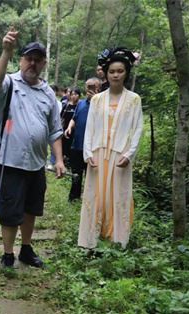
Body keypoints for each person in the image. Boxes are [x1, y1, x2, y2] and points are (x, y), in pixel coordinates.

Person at [0, 33, 65, 269]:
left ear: (44, 64)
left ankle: (26, 248)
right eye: (29, 58)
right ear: (21, 60)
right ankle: (8, 253)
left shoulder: (49, 93)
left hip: (37, 163)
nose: (33, 63)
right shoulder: (10, 83)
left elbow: (55, 130)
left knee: (31, 208)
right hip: (10, 161)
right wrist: (5, 53)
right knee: (10, 210)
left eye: (38, 60)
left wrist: (59, 159)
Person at [78, 48, 143, 249]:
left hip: (120, 155)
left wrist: (129, 153)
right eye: (112, 71)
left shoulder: (134, 99)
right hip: (98, 154)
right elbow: (90, 127)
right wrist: (88, 153)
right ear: (106, 73)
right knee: (95, 196)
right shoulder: (97, 100)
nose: (115, 75)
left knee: (119, 196)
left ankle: (117, 241)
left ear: (126, 73)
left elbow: (138, 128)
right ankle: (90, 240)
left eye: (120, 71)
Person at [64, 78, 100, 201]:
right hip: (77, 145)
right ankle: (74, 198)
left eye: (92, 86)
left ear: (98, 88)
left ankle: (90, 199)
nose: (89, 89)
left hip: (93, 147)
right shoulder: (81, 103)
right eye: (87, 86)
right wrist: (69, 127)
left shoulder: (102, 105)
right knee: (76, 173)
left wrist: (96, 101)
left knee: (91, 175)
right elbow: (74, 118)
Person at [60, 87, 80, 165]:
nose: (73, 96)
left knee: (72, 147)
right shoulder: (66, 106)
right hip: (65, 130)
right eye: (72, 94)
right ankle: (64, 161)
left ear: (79, 95)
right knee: (64, 146)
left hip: (75, 131)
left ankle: (71, 162)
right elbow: (61, 117)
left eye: (76, 94)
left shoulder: (79, 106)